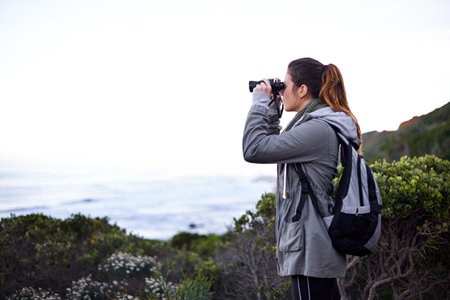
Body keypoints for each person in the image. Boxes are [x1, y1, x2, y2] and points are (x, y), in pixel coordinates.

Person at [242, 57, 362, 300]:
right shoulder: (311, 126)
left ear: (303, 89)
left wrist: (258, 104)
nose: (281, 91)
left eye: (284, 85)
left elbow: (253, 149)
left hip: (311, 246)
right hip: (310, 244)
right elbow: (274, 147)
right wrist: (273, 112)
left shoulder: (316, 129)